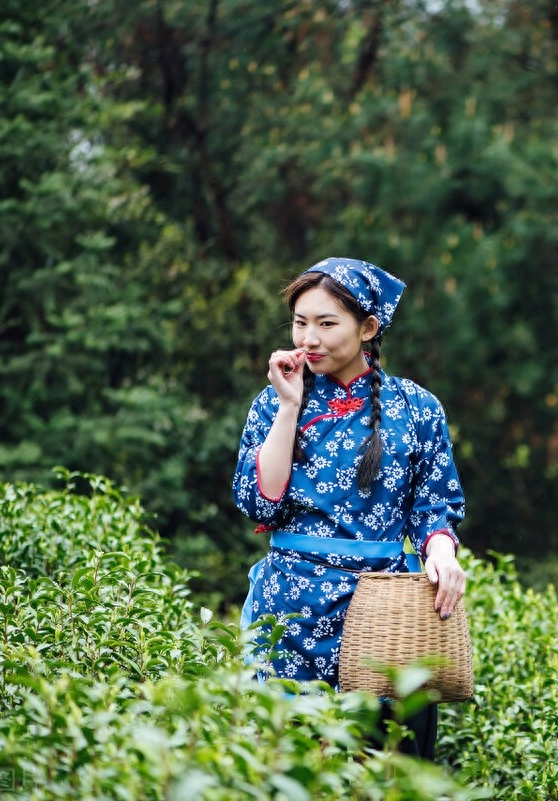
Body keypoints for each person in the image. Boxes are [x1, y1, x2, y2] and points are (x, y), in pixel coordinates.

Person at [233, 257, 466, 759]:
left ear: (368, 328)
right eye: (300, 322)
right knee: (287, 763)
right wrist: (289, 407)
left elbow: (434, 506)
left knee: (385, 765)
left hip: (382, 613)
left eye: (326, 323)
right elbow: (260, 504)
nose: (309, 338)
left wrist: (442, 552)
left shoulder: (418, 408)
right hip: (290, 607)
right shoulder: (272, 402)